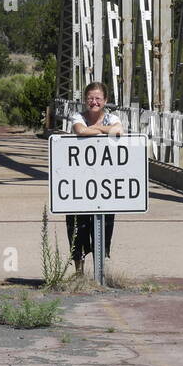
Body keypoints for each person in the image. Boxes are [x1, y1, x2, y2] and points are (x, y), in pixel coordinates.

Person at [67, 82, 122, 274]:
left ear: (105, 100)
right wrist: (103, 130)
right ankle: (79, 272)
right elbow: (80, 131)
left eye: (98, 98)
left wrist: (96, 129)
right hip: (79, 179)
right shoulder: (77, 116)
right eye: (90, 98)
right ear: (85, 99)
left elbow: (119, 131)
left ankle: (100, 271)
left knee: (104, 222)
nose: (94, 102)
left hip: (105, 179)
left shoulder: (112, 117)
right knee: (76, 224)